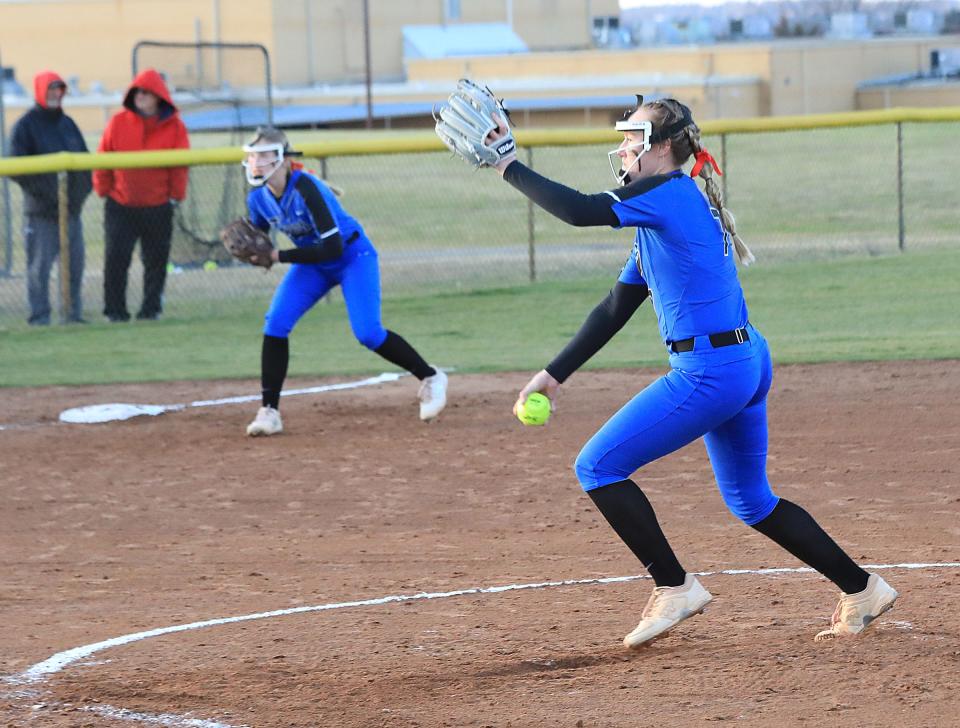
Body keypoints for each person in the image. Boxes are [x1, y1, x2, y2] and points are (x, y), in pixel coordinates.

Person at [485, 96, 897, 646]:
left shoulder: (667, 195)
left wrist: (507, 164)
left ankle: (675, 586)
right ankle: (862, 589)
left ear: (661, 147)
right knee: (751, 500)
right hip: (746, 359)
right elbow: (615, 307)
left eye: (634, 136)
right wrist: (553, 374)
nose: (625, 146)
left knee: (598, 466)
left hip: (710, 372)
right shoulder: (665, 209)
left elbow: (581, 210)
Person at [239, 126, 448, 435]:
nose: (258, 163)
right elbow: (257, 239)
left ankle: (430, 377)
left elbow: (332, 247)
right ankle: (269, 411)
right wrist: (251, 250)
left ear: (284, 160)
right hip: (314, 264)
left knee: (367, 332)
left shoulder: (306, 189)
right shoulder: (258, 198)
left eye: (266, 155)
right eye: (253, 156)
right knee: (276, 323)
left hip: (352, 257)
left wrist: (277, 257)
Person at [94, 68, 189, 322]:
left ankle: (151, 310)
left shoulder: (175, 127)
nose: (141, 97)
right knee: (116, 259)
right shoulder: (118, 122)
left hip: (157, 206)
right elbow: (104, 158)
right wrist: (103, 189)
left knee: (156, 261)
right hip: (121, 204)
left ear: (159, 96)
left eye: (146, 92)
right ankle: (114, 311)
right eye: (137, 92)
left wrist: (176, 195)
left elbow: (180, 165)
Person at [8, 70, 91, 325]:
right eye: (51, 89)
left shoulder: (68, 124)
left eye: (59, 89)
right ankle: (40, 317)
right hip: (41, 213)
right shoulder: (26, 126)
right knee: (39, 269)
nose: (56, 94)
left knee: (74, 267)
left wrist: (76, 197)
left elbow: (86, 163)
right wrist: (50, 195)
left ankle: (72, 314)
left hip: (71, 212)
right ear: (40, 92)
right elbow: (17, 168)